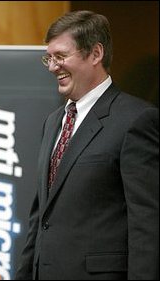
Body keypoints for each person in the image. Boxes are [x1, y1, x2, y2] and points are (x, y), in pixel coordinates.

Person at [15, 11, 159, 280]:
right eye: (49, 58)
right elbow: (40, 218)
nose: (52, 66)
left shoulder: (136, 120)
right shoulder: (53, 121)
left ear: (95, 54)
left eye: (61, 56)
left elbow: (147, 224)